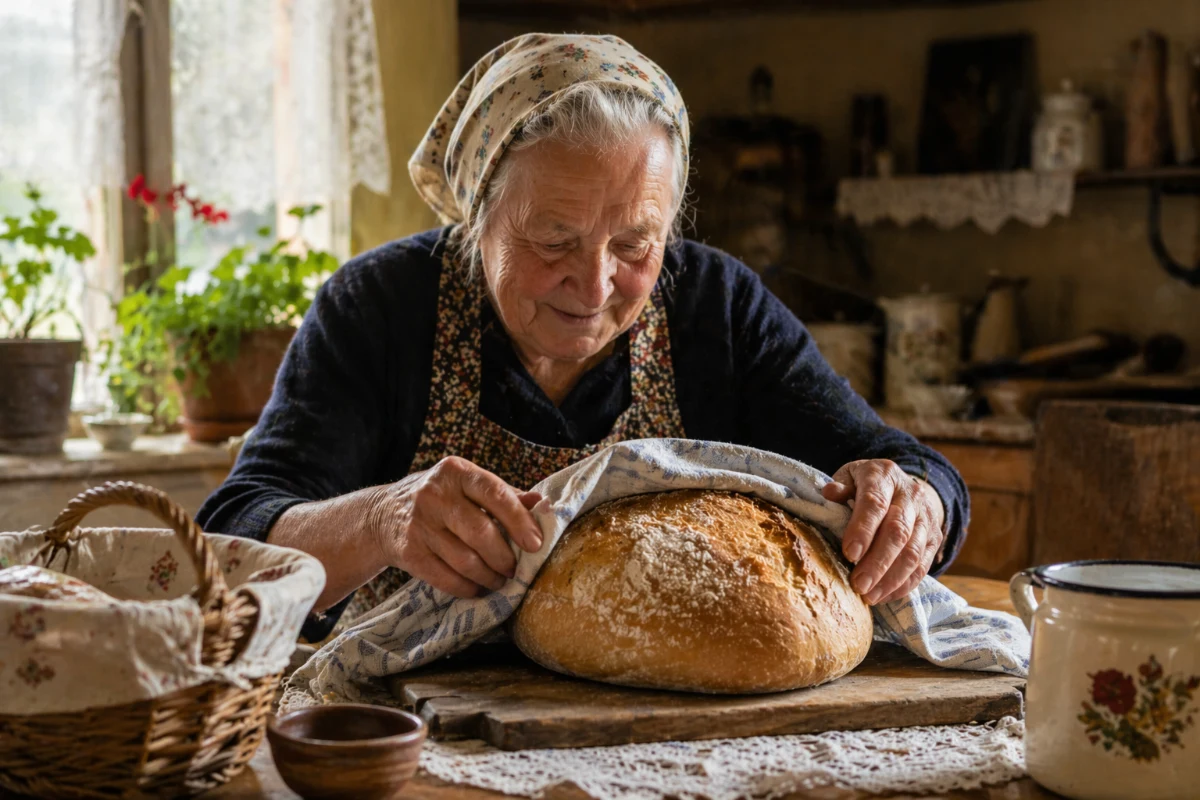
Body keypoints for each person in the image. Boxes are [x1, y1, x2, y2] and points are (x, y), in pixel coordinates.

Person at [197, 33, 968, 642]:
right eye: (553, 241)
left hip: (671, 731)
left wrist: (915, 502)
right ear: (475, 219)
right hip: (410, 727)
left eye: (635, 245)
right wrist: (380, 521)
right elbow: (231, 541)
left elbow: (913, 467)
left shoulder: (716, 306)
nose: (596, 286)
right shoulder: (379, 308)